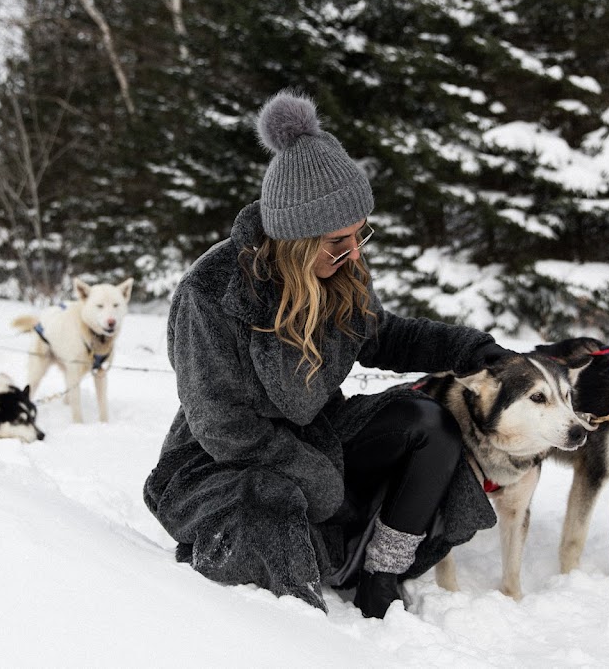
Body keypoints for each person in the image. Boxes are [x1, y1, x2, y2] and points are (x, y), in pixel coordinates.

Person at [143, 89, 508, 618]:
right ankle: (302, 622)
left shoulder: (340, 267)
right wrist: (313, 473)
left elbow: (382, 336)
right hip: (221, 456)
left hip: (317, 430)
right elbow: (221, 423)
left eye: (360, 236)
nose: (354, 253)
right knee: (269, 507)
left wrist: (469, 348)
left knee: (429, 422)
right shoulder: (212, 291)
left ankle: (381, 571)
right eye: (339, 241)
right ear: (294, 238)